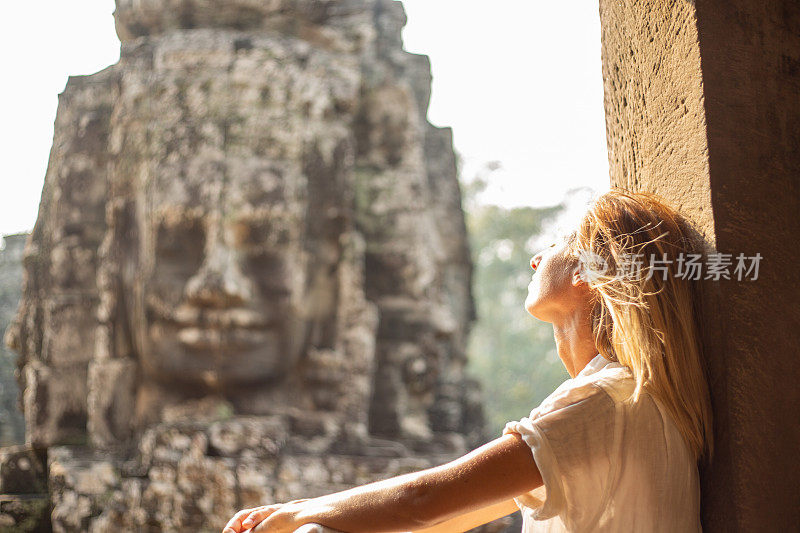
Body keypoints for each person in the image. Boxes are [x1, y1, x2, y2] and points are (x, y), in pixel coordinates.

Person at [222, 188, 713, 533]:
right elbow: (451, 516)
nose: (535, 259)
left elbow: (425, 501)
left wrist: (295, 514)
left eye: (557, 243)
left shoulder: (605, 402)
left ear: (589, 271)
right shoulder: (633, 400)